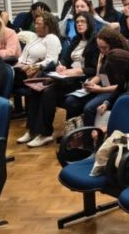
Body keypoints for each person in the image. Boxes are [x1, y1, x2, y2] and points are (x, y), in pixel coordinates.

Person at [19, 12, 99, 147]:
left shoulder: (95, 42)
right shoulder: (76, 40)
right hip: (67, 78)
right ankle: (32, 130)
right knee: (37, 88)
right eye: (77, 22)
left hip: (82, 80)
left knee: (48, 92)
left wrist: (77, 71)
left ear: (89, 24)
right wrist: (61, 66)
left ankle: (45, 134)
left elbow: (95, 68)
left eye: (82, 22)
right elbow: (65, 59)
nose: (79, 24)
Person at [13, 11, 62, 86]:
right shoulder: (35, 37)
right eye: (35, 23)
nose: (35, 26)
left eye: (39, 24)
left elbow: (52, 60)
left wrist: (32, 66)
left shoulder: (52, 38)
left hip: (33, 72)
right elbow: (23, 56)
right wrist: (17, 66)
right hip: (21, 69)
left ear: (48, 26)